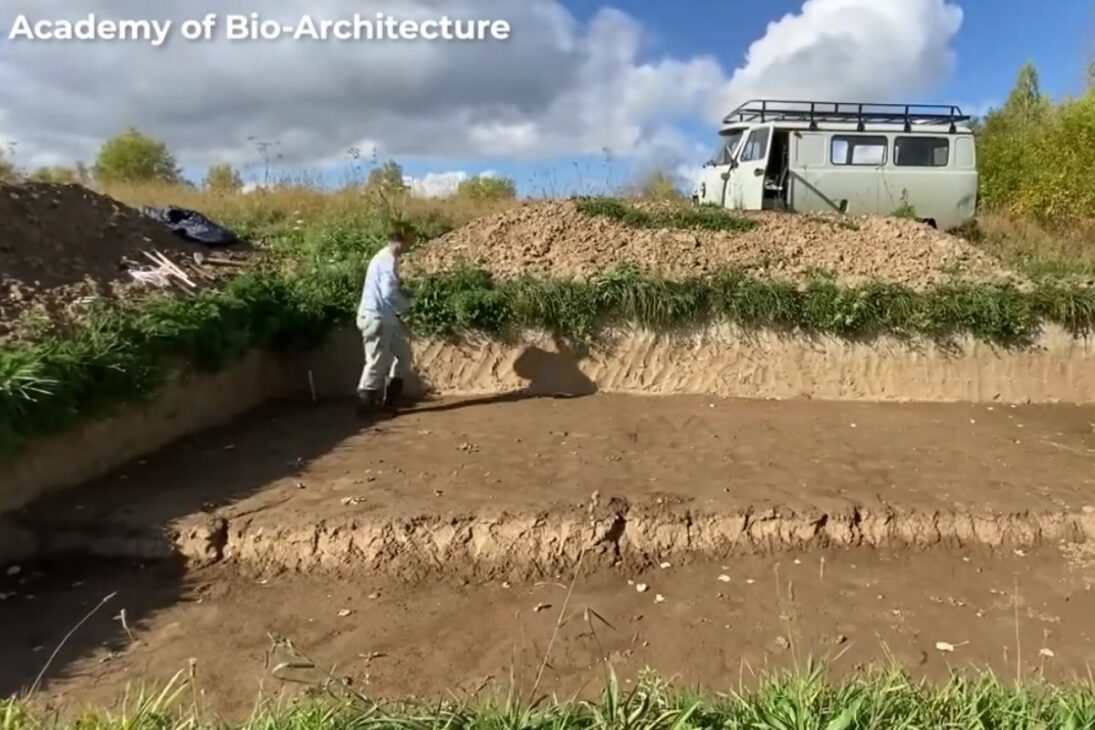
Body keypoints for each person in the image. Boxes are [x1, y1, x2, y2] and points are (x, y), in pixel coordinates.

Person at [355, 224, 414, 417]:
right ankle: (365, 407)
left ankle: (390, 402)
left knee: (402, 356)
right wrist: (407, 306)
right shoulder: (387, 260)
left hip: (386, 317)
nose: (411, 245)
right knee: (376, 362)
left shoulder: (387, 258)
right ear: (401, 240)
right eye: (409, 240)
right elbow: (389, 292)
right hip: (377, 317)